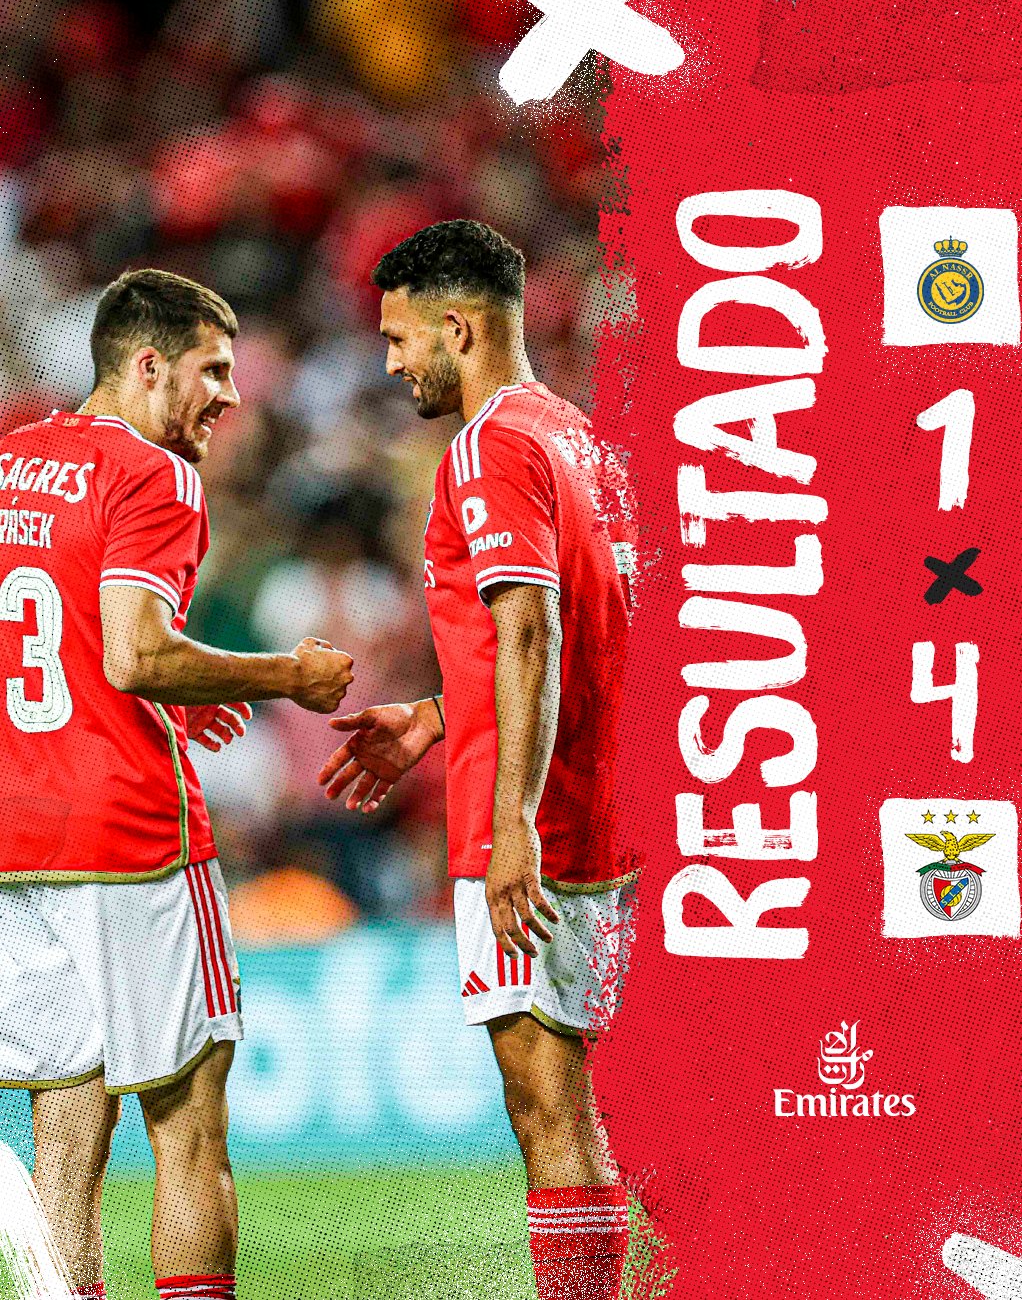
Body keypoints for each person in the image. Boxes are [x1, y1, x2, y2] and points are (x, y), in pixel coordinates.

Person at [0, 269, 354, 1300]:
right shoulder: (152, 473)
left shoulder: (11, 464)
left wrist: (172, 691)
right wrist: (283, 675)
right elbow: (136, 653)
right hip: (128, 835)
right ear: (148, 365)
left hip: (16, 836)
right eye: (213, 370)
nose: (230, 396)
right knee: (189, 1125)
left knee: (64, 1127)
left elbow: (74, 645)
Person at [319, 221, 637, 1300]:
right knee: (599, 1108)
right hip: (609, 806)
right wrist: (433, 714)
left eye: (400, 338)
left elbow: (533, 633)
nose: (392, 363)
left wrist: (513, 826)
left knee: (549, 1103)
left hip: (537, 821)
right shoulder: (578, 438)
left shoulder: (487, 447)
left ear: (458, 328)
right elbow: (593, 641)